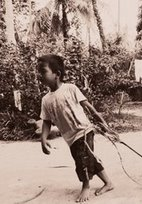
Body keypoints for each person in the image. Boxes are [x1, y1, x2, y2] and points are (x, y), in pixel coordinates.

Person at [37, 54, 114, 202]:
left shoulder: (70, 88)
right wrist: (43, 139)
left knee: (82, 160)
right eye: (39, 72)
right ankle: (108, 183)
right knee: (89, 158)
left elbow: (88, 107)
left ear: (57, 74)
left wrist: (103, 123)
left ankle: (86, 186)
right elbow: (46, 122)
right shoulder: (45, 100)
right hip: (70, 137)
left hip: (84, 131)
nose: (40, 76)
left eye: (43, 72)